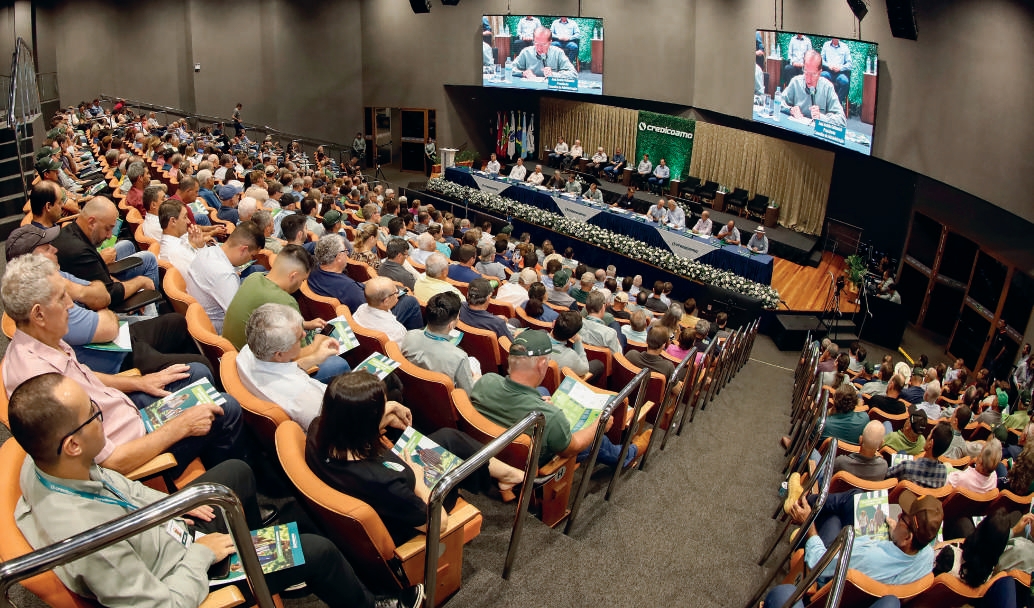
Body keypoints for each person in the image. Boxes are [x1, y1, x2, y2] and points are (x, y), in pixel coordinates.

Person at [8, 373, 403, 608]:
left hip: (161, 530)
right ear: (72, 444)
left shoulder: (44, 458)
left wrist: (172, 505)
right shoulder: (92, 540)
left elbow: (123, 489)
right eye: (94, 414)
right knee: (318, 552)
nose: (102, 416)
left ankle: (254, 552)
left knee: (235, 471)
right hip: (177, 572)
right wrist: (200, 554)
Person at [1, 255, 244, 478]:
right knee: (228, 408)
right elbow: (111, 463)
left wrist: (139, 382)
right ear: (38, 314)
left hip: (125, 411)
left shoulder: (43, 339)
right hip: (134, 449)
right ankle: (222, 488)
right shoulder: (38, 384)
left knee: (196, 371)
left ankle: (212, 456)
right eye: (61, 297)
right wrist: (182, 425)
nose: (71, 305)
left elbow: (85, 377)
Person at [306, 370, 523, 547]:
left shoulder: (319, 428)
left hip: (390, 480)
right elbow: (439, 524)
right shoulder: (385, 483)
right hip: (413, 507)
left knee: (449, 437)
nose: (386, 408)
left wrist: (390, 408)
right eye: (382, 407)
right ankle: (510, 477)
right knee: (452, 457)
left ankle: (506, 476)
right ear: (366, 424)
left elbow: (352, 427)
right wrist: (419, 481)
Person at [470, 330, 646, 468]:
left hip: (491, 448)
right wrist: (599, 425)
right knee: (598, 439)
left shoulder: (486, 381)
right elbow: (574, 447)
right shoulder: (551, 417)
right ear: (541, 365)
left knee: (542, 391)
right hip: (534, 462)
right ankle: (625, 455)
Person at [788, 489, 943, 586]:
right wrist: (896, 531)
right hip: (876, 562)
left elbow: (817, 562)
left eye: (903, 517)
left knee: (834, 516)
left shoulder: (866, 555)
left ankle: (800, 507)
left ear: (908, 538)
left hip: (825, 576)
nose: (899, 515)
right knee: (856, 498)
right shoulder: (927, 556)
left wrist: (809, 523)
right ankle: (803, 504)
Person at [236, 303, 341, 430]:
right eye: (298, 338)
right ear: (279, 354)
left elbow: (281, 371)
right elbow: (332, 426)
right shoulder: (304, 398)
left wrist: (314, 358)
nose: (304, 335)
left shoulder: (247, 352)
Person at [52, 197, 159, 309]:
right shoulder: (78, 251)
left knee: (127, 245)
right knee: (149, 260)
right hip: (104, 310)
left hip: (98, 286)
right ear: (92, 222)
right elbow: (109, 295)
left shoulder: (71, 230)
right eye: (108, 229)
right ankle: (153, 313)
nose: (109, 236)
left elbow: (99, 275)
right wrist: (140, 282)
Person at [185, 221, 264, 333]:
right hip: (217, 331)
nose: (250, 260)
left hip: (201, 318)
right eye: (252, 256)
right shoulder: (226, 276)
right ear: (243, 249)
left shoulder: (207, 251)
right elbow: (238, 321)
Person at [402, 292, 479, 393]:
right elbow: (468, 394)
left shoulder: (409, 335)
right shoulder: (459, 357)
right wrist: (476, 380)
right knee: (474, 364)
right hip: (443, 400)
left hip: (413, 391)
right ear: (451, 325)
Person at [779, 49, 846, 127]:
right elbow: (778, 102)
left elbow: (842, 120)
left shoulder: (827, 87)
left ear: (820, 72)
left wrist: (821, 117)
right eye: (806, 72)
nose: (808, 79)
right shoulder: (796, 82)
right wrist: (790, 110)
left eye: (813, 74)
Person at [352, 277, 410, 346]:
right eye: (396, 292)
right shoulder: (398, 331)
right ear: (386, 301)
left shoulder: (361, 308)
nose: (397, 294)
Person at [157, 199, 206, 278]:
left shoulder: (175, 241)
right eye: (185, 217)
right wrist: (201, 247)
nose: (188, 221)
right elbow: (204, 274)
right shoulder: (176, 252)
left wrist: (198, 245)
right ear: (173, 221)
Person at [820, 37, 852, 103]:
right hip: (828, 72)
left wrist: (840, 68)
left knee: (845, 82)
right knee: (821, 76)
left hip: (840, 73)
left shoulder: (845, 47)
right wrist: (828, 65)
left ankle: (837, 103)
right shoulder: (826, 45)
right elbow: (821, 60)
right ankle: (823, 101)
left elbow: (849, 64)